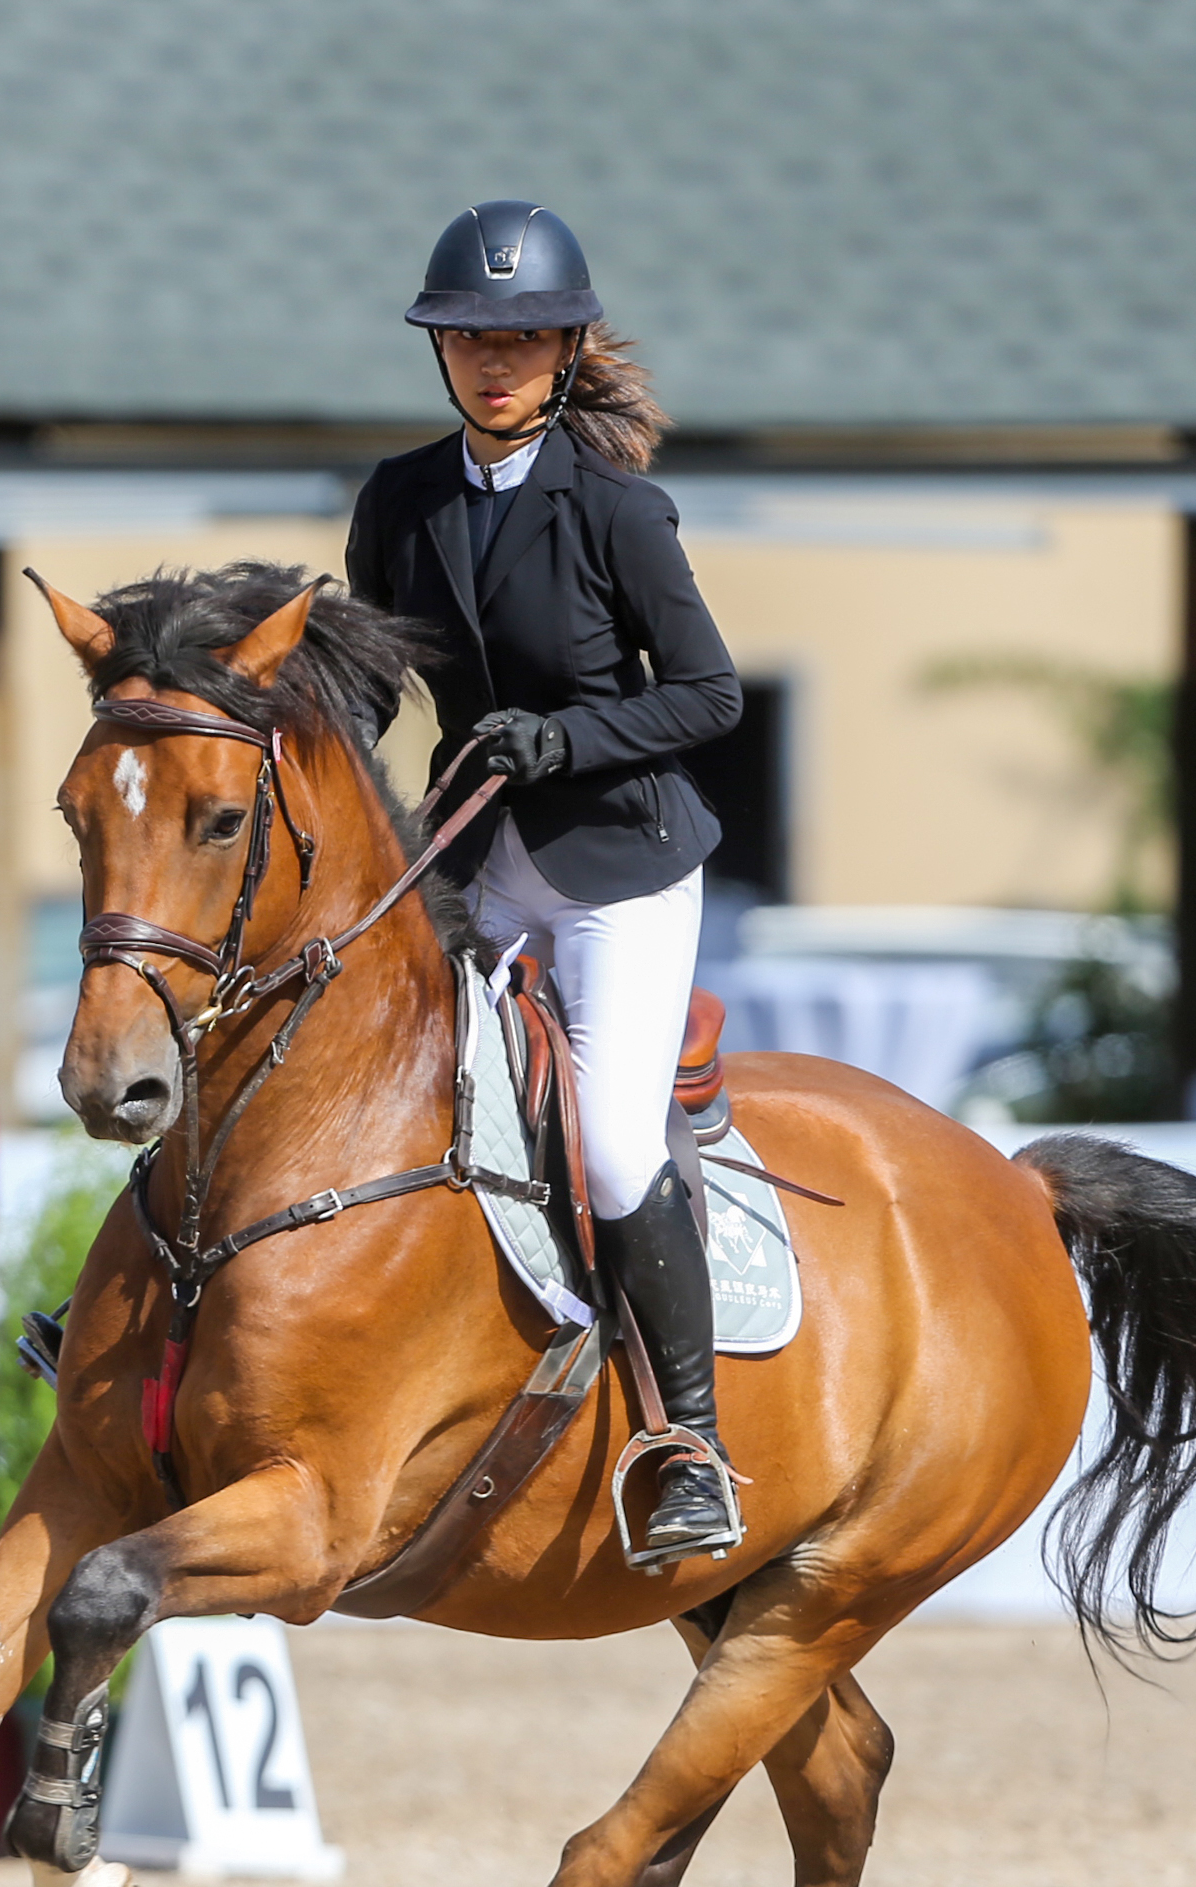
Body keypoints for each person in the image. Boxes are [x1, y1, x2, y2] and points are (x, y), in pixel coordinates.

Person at [343, 198, 747, 1552]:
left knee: (617, 1137)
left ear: (568, 346)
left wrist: (566, 734)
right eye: (467, 337)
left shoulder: (617, 509)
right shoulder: (401, 498)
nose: (492, 359)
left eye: (520, 336)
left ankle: (688, 1439)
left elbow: (710, 695)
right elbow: (366, 687)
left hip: (615, 867)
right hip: (480, 858)